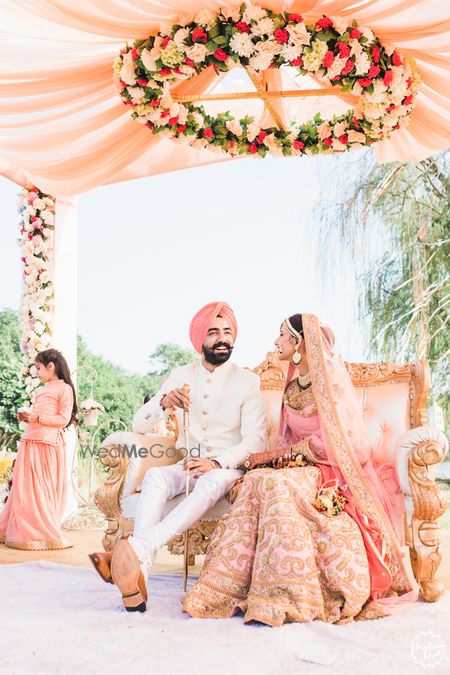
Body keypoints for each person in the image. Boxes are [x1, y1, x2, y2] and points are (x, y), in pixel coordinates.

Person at [182, 313, 418, 626]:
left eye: (282, 335)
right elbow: (287, 439)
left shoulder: (329, 384)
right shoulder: (293, 387)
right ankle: (226, 586)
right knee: (256, 482)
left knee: (276, 485)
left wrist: (285, 456)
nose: (275, 342)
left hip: (330, 469)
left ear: (299, 343)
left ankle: (291, 592)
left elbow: (345, 444)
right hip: (298, 467)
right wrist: (272, 460)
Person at [89, 301, 266, 612]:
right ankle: (136, 581)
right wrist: (164, 402)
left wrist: (217, 462)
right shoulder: (180, 374)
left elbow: (256, 439)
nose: (222, 338)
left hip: (227, 469)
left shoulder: (248, 382)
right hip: (187, 463)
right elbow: (139, 423)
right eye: (213, 332)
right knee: (156, 476)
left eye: (227, 332)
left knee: (210, 481)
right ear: (200, 339)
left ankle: (134, 550)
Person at [0, 349, 77, 550]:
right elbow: (38, 414)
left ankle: (40, 534)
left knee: (40, 489)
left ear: (51, 366)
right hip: (30, 440)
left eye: (38, 368)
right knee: (24, 489)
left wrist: (37, 418)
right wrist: (28, 417)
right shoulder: (42, 389)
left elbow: (63, 419)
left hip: (47, 444)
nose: (37, 372)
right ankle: (19, 531)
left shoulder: (64, 388)